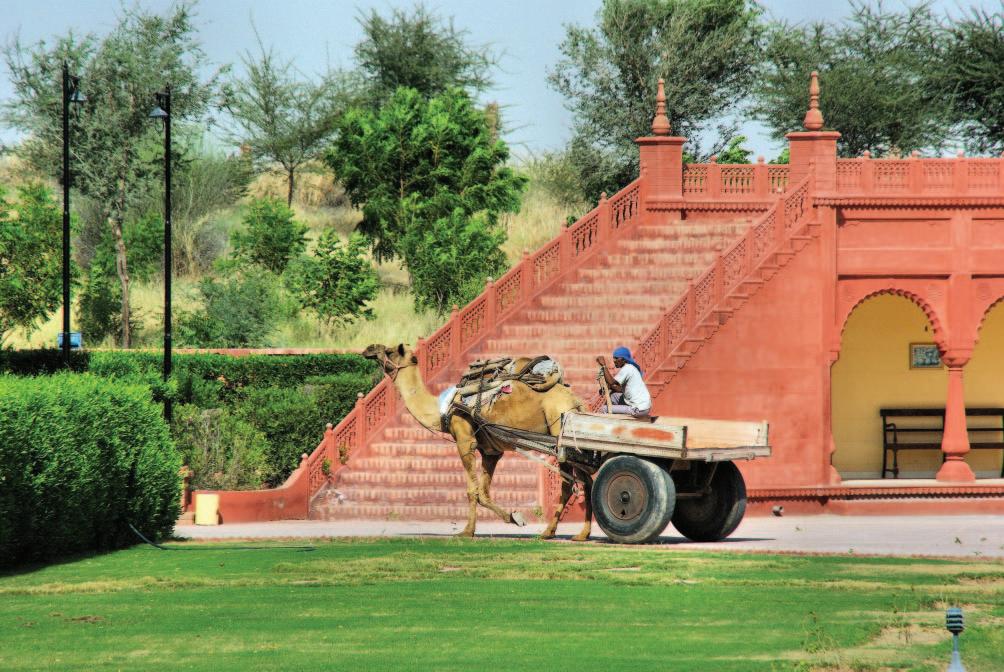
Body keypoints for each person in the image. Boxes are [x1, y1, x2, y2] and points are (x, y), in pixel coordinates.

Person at [596, 346, 651, 417]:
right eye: (614, 358)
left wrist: (604, 365)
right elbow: (619, 389)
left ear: (623, 360)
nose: (614, 360)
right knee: (613, 396)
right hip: (644, 406)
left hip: (638, 409)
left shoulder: (627, 369)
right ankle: (614, 414)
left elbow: (611, 382)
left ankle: (611, 419)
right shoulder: (629, 368)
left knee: (603, 409)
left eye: (616, 358)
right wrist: (607, 388)